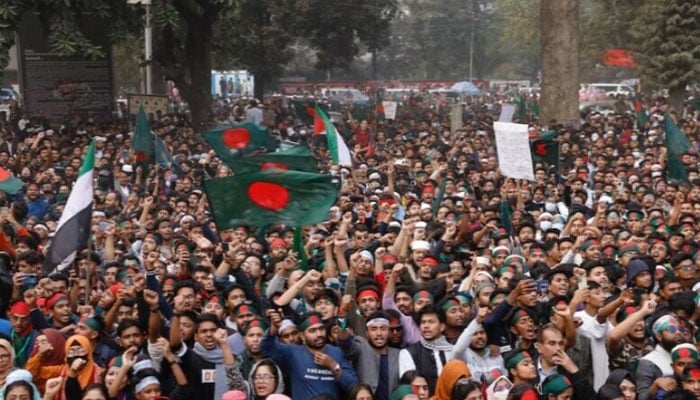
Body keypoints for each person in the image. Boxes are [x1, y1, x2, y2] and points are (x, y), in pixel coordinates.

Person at [262, 311, 358, 400]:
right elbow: (266, 348)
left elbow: (353, 385)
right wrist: (273, 328)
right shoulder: (293, 353)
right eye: (312, 331)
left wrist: (333, 366)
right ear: (302, 336)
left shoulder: (337, 352)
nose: (319, 334)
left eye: (321, 329)